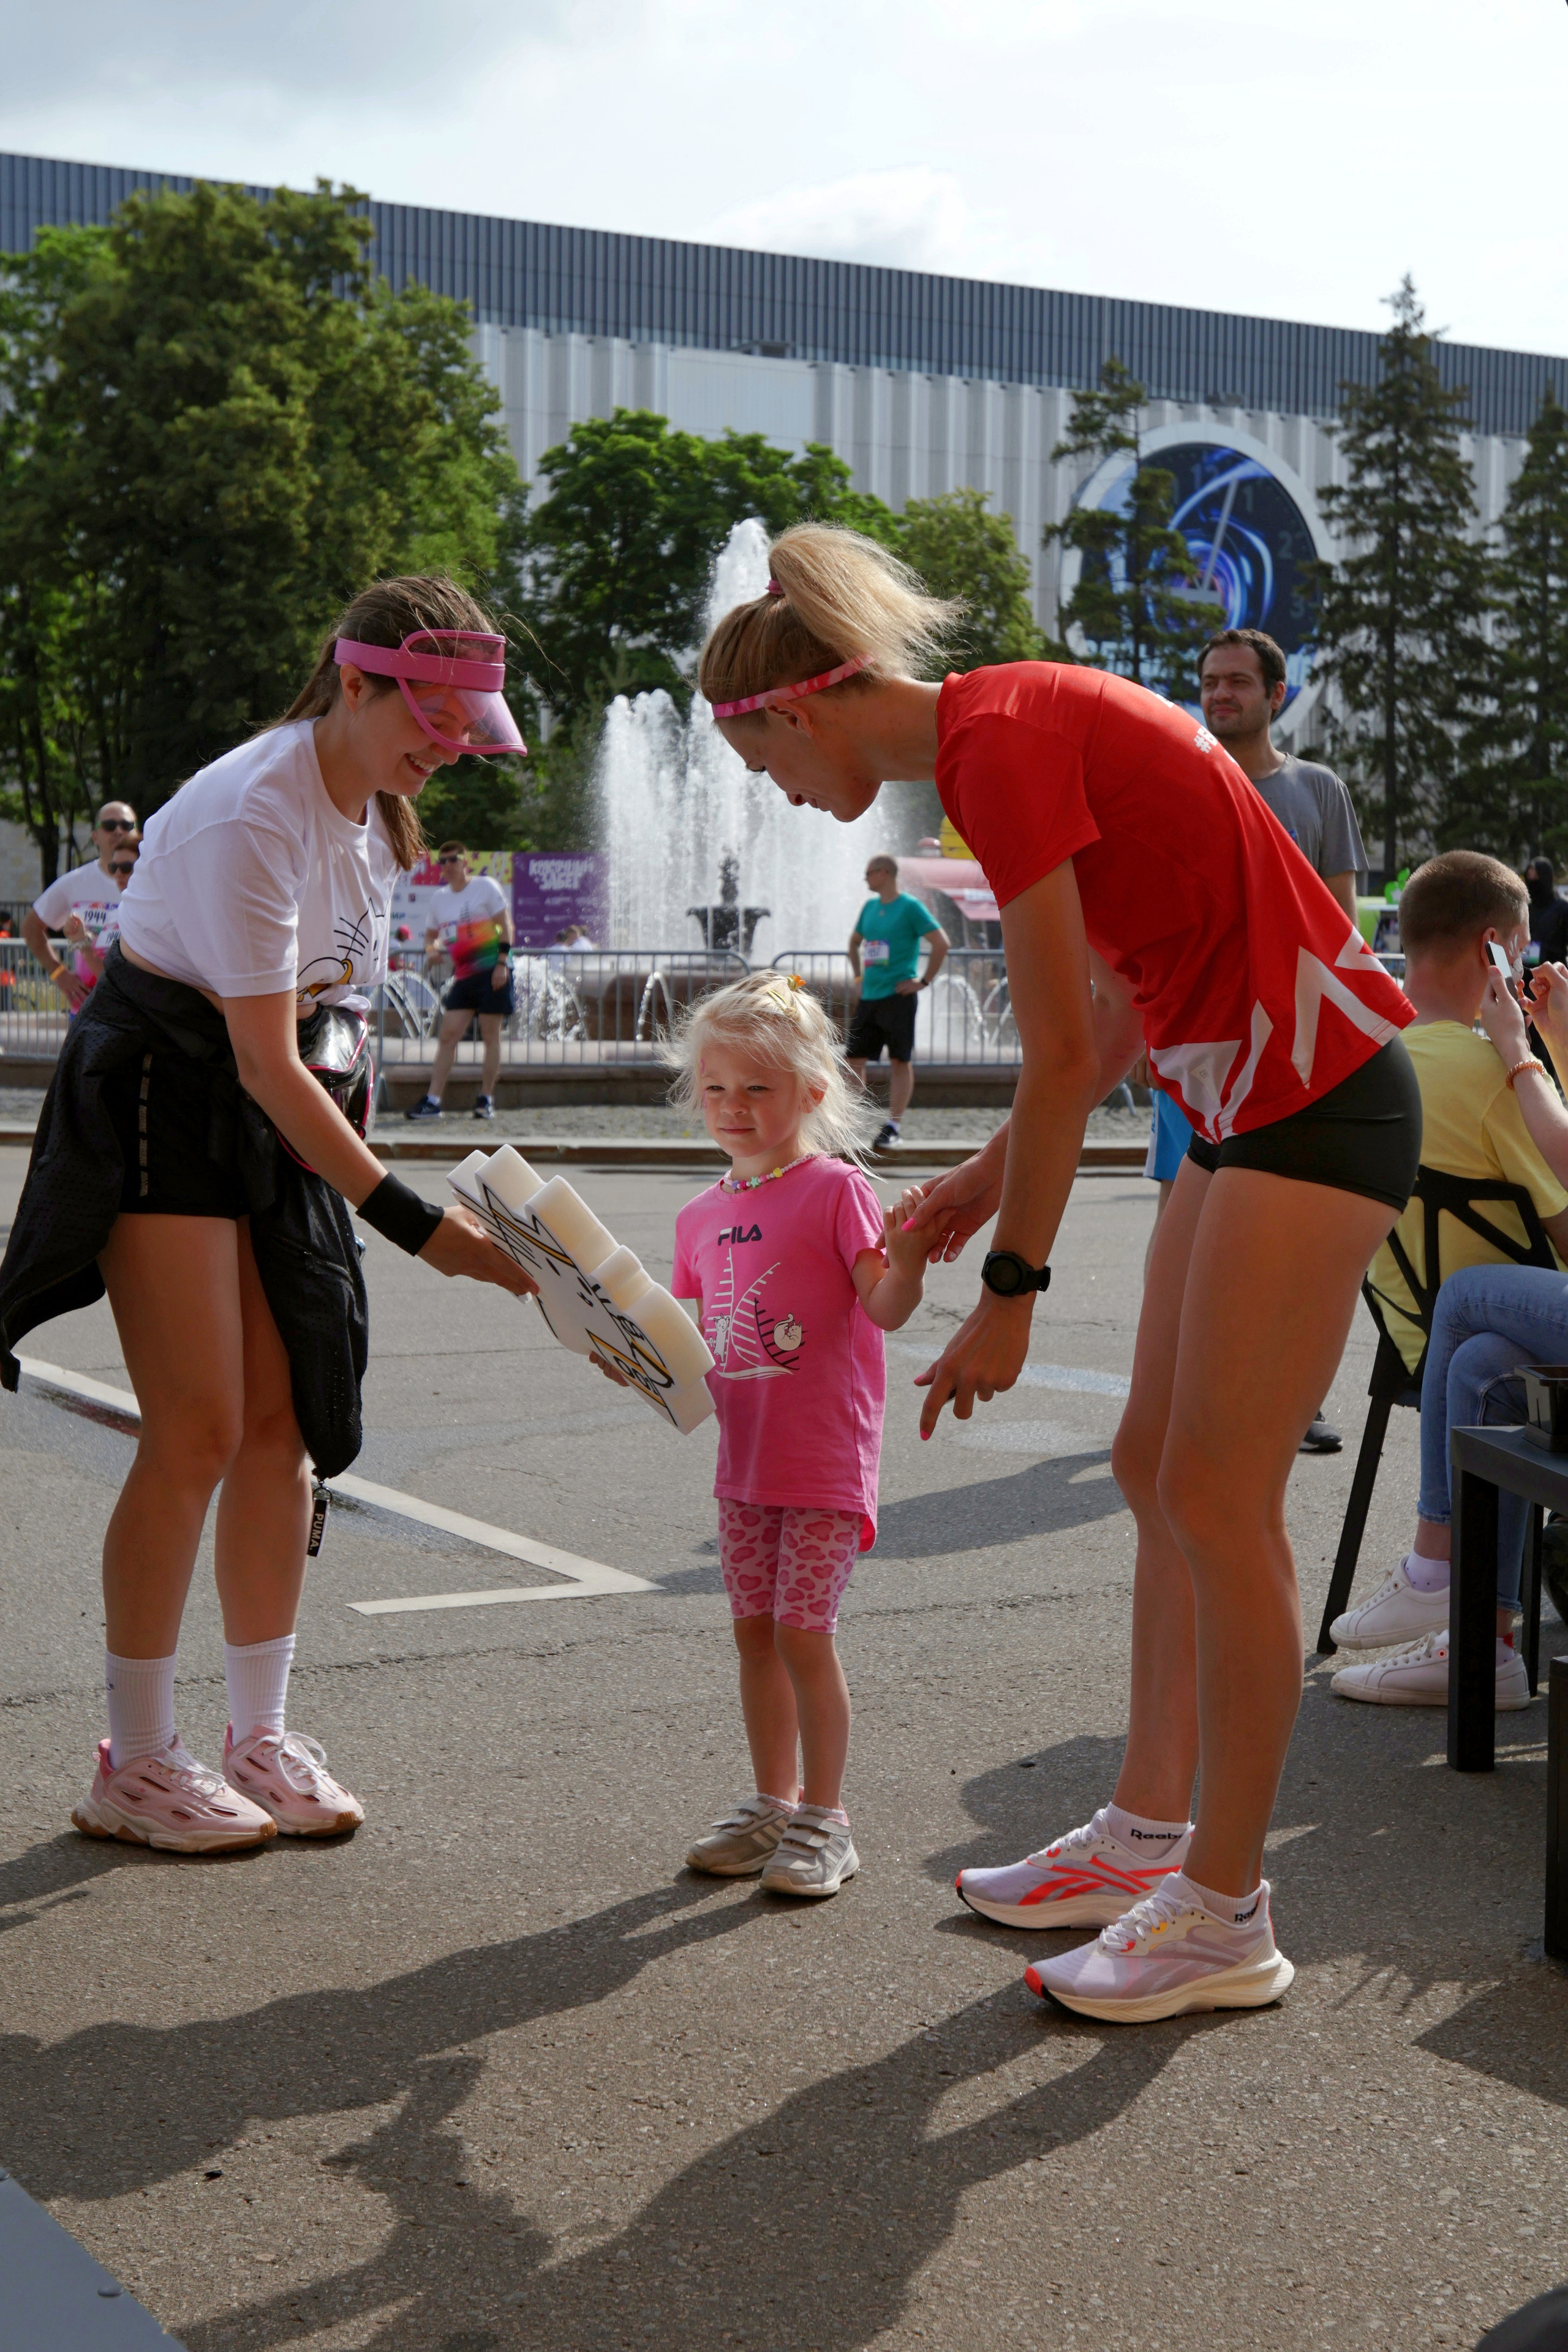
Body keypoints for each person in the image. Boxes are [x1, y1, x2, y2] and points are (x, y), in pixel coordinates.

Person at [700, 524, 1419, 2022]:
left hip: (1316, 1092)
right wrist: (974, 1190)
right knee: (1153, 1464)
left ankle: (1223, 1912)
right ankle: (1149, 1833)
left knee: (1219, 1496)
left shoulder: (995, 744)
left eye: (764, 762)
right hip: (1243, 1096)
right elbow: (1099, 1039)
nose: (777, 795)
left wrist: (1008, 1290)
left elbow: (1045, 1050)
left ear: (798, 707)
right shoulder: (1000, 729)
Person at [0, 576, 537, 1855]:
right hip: (161, 1092)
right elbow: (259, 1059)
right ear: (352, 682)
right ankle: (133, 1761)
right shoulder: (255, 810)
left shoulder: (381, 821)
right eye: (430, 718)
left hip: (265, 1093)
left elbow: (322, 1025)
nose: (448, 747)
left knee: (282, 1422)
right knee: (192, 1425)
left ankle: (257, 1732)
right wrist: (418, 1227)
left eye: (467, 726)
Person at [665, 972, 927, 1897]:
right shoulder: (699, 1216)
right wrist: (625, 1350)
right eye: (717, 1089)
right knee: (753, 1635)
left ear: (812, 1094)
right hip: (744, 1467)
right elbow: (690, 1352)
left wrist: (916, 1255)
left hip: (822, 1460)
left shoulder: (835, 1190)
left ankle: (827, 1817)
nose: (733, 1108)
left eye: (757, 1089)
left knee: (804, 1635)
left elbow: (885, 1306)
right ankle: (771, 1802)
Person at [1331, 910, 1568, 1709]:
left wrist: (1517, 1053)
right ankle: (1487, 1641)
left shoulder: (1362, 1059)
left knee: (1466, 1301)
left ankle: (1434, 1568)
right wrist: (1547, 1046)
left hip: (1401, 1330)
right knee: (1478, 1363)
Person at [404, 843, 515, 1121]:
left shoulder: (485, 886)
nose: (447, 865)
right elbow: (430, 937)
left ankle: (486, 1099)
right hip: (464, 976)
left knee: (491, 1036)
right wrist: (431, 952)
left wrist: (502, 963)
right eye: (442, 862)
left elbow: (506, 925)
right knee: (448, 1036)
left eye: (453, 859)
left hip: (493, 971)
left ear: (466, 862)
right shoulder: (439, 899)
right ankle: (433, 1101)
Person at [846, 853, 949, 1152]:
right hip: (870, 996)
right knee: (854, 1060)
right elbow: (854, 942)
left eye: (868, 873)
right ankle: (851, 1123)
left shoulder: (910, 908)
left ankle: (894, 1125)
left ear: (884, 873)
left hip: (899, 997)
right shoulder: (869, 907)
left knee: (899, 1061)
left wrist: (923, 981)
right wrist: (857, 977)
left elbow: (942, 943)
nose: (865, 878)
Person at [23, 801, 140, 1012]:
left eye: (126, 825)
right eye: (109, 825)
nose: (118, 831)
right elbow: (31, 928)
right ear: (95, 837)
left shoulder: (153, 884)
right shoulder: (75, 882)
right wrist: (59, 975)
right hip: (91, 1013)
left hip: (140, 1011)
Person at [62, 840, 140, 986]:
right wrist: (82, 941)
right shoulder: (117, 914)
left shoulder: (155, 914)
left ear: (144, 868)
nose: (117, 874)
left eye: (126, 867)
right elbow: (107, 976)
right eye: (113, 867)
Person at [1523, 856, 1568, 973]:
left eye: (1537, 877)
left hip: (1556, 974)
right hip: (1527, 975)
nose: (1533, 881)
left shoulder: (1562, 908)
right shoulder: (1523, 908)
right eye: (1530, 877)